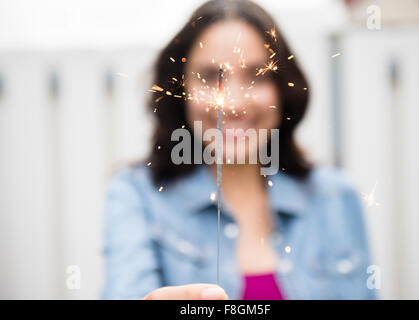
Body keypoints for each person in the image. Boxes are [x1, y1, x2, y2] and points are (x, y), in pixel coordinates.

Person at [101, 0, 376, 300]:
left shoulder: (338, 197)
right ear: (180, 90)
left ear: (283, 87)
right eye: (209, 77)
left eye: (257, 75)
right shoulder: (135, 196)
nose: (232, 103)